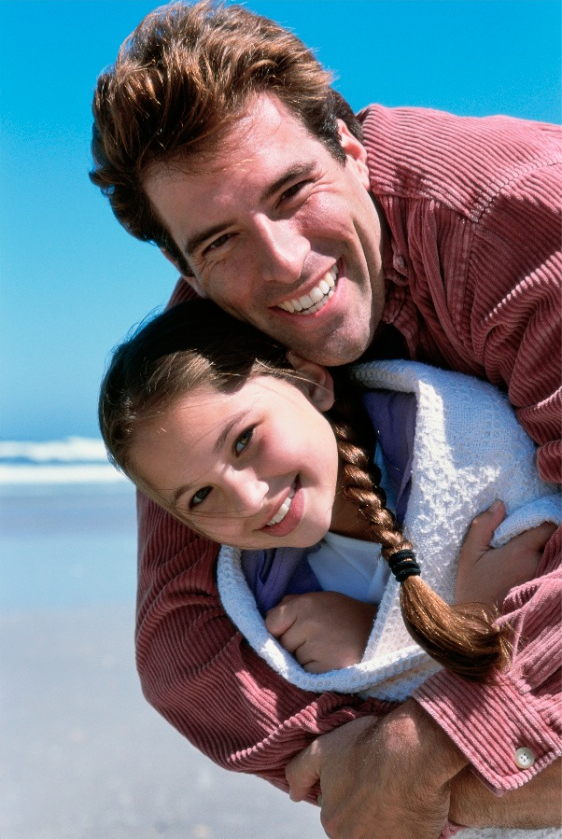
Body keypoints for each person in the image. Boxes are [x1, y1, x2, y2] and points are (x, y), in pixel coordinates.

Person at [90, 1, 562, 836]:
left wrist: (416, 749)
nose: (283, 262)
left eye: (292, 189)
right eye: (220, 241)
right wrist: (352, 752)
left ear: (349, 146)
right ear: (187, 267)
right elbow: (179, 644)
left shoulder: (516, 220)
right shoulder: (214, 335)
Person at [99, 298, 560, 839]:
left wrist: (468, 619)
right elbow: (367, 792)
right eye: (201, 496)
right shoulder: (274, 607)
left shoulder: (466, 447)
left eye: (244, 440)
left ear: (313, 383)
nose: (249, 498)